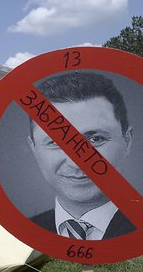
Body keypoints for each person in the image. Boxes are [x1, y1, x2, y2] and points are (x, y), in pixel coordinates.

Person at [28, 72, 135, 240]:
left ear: (127, 141)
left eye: (95, 139)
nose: (76, 162)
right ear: (33, 148)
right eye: (56, 142)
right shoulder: (30, 230)